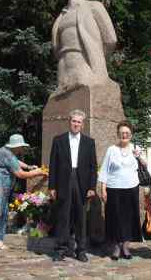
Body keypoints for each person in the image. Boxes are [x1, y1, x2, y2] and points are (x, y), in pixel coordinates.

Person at [52, 0, 117, 94]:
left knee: (84, 92)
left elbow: (110, 39)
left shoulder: (94, 7)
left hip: (84, 60)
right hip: (63, 62)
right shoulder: (61, 16)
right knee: (60, 100)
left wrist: (97, 56)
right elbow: (56, 45)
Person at [0, 134, 48, 250]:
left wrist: (28, 166)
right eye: (21, 146)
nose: (22, 148)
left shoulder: (5, 151)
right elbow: (21, 174)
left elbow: (15, 162)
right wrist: (39, 172)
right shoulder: (7, 154)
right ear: (15, 146)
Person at [48, 109, 98, 262]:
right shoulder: (58, 140)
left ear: (83, 125)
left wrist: (91, 187)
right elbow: (53, 165)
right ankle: (60, 249)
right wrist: (52, 187)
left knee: (81, 217)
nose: (76, 124)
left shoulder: (89, 142)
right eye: (74, 121)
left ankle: (81, 250)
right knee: (63, 216)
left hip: (82, 182)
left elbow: (92, 166)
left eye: (79, 122)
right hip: (64, 181)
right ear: (69, 122)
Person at [98, 121, 143, 260]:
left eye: (127, 133)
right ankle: (117, 247)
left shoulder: (136, 148)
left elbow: (147, 165)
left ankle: (126, 246)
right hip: (114, 188)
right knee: (115, 218)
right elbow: (104, 170)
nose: (124, 135)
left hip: (131, 188)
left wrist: (139, 156)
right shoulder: (112, 149)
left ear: (131, 134)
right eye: (122, 133)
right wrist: (103, 189)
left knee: (129, 218)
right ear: (118, 134)